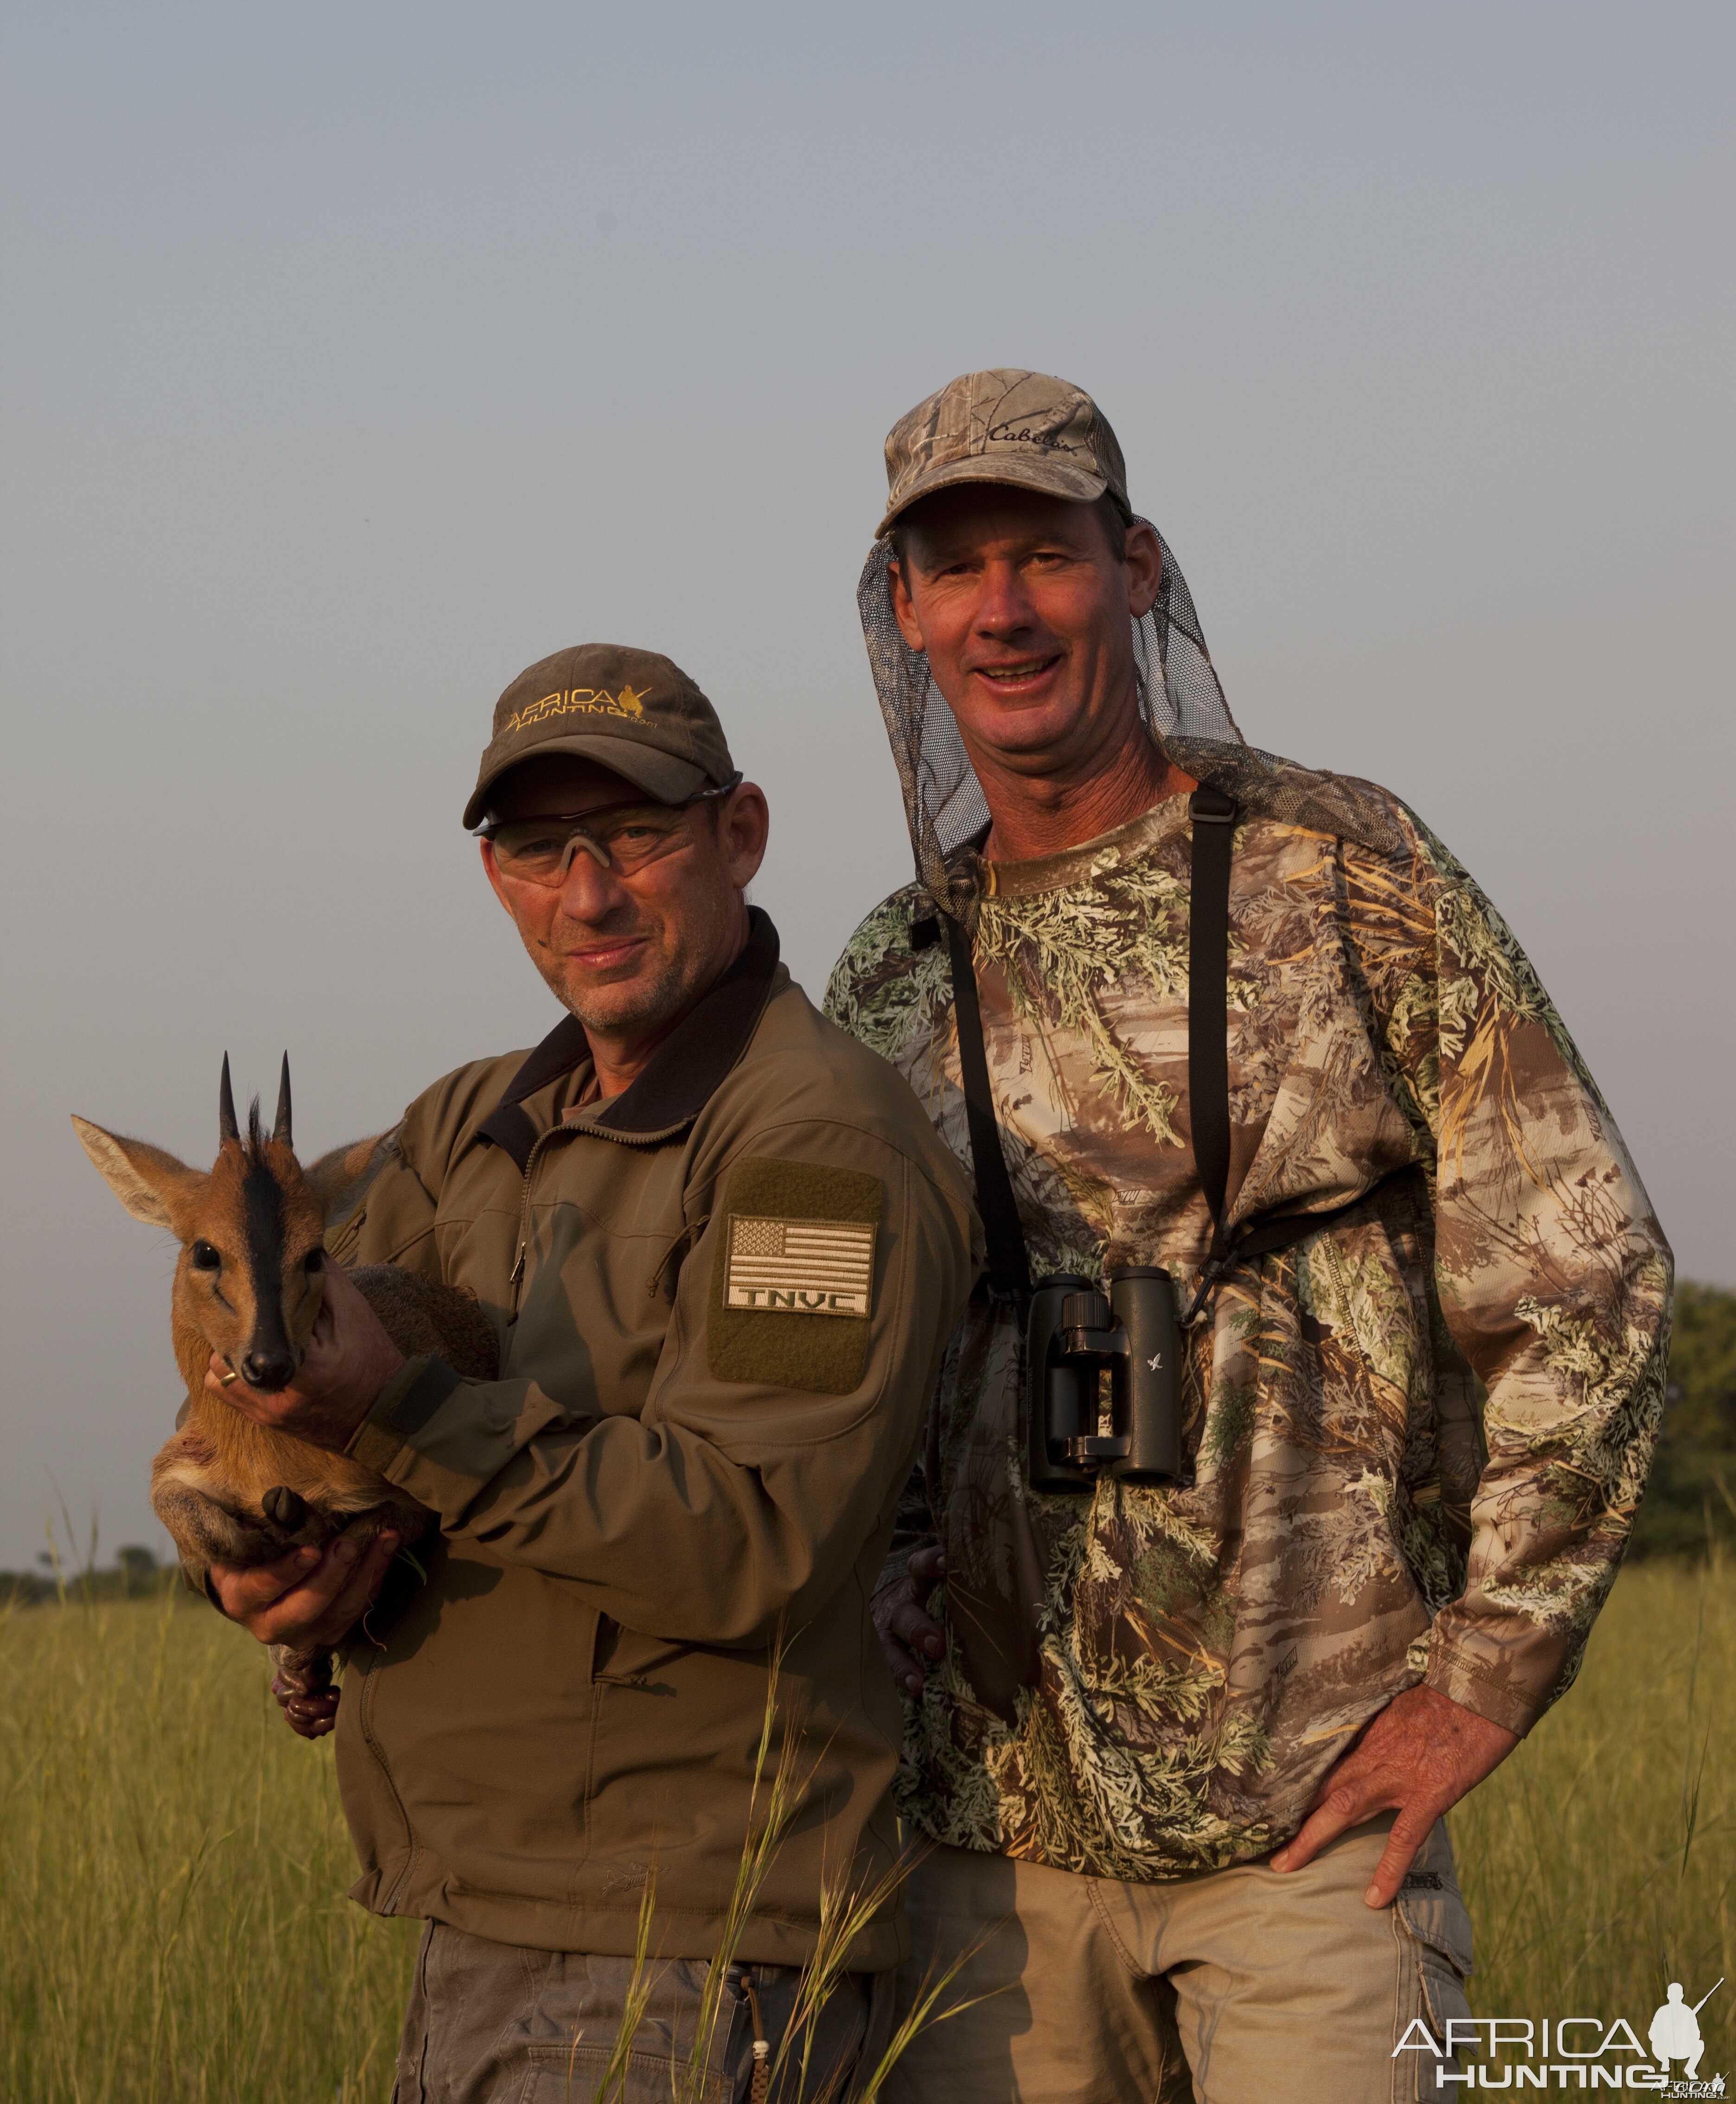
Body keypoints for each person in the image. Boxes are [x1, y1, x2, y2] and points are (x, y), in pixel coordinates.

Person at [824, 371, 1672, 2104]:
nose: (1004, 610)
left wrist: (1488, 1678)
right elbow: (847, 1385)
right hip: (988, 1860)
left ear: (1133, 567)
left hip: (1317, 1831)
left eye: (1045, 556)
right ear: (903, 611)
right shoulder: (891, 972)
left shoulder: (1349, 869)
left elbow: (1584, 1269)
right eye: (957, 569)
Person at [202, 643, 975, 2104]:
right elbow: (280, 1388)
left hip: (675, 1947)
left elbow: (754, 1532)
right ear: (495, 875)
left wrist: (400, 1410)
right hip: (477, 1910)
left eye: (636, 834)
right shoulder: (461, 1127)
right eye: (538, 849)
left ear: (739, 835)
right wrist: (256, 1563)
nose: (588, 894)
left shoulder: (812, 1148)